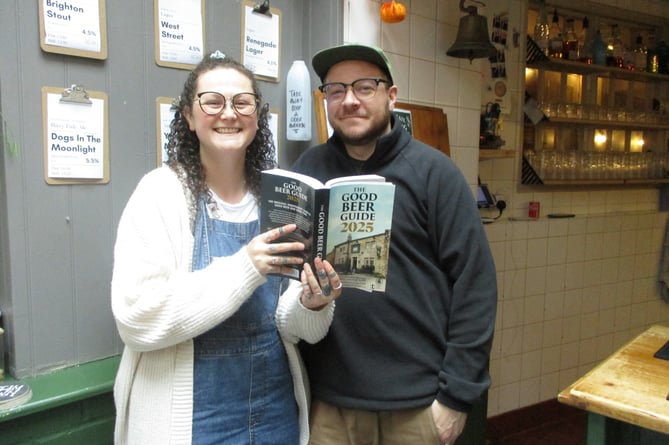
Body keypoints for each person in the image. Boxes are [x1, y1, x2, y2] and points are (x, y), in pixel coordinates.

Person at [111, 52, 342, 445]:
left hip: (274, 416)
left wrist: (313, 303)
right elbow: (136, 318)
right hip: (192, 425)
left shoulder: (277, 198)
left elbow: (287, 326)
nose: (229, 114)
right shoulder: (160, 194)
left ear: (257, 116)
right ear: (188, 116)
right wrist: (245, 267)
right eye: (212, 101)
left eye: (242, 102)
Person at [291, 43, 498, 445]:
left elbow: (476, 287)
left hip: (418, 406)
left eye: (364, 87)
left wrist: (456, 397)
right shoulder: (308, 172)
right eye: (336, 90)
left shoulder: (436, 174)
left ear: (391, 95)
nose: (349, 100)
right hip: (330, 405)